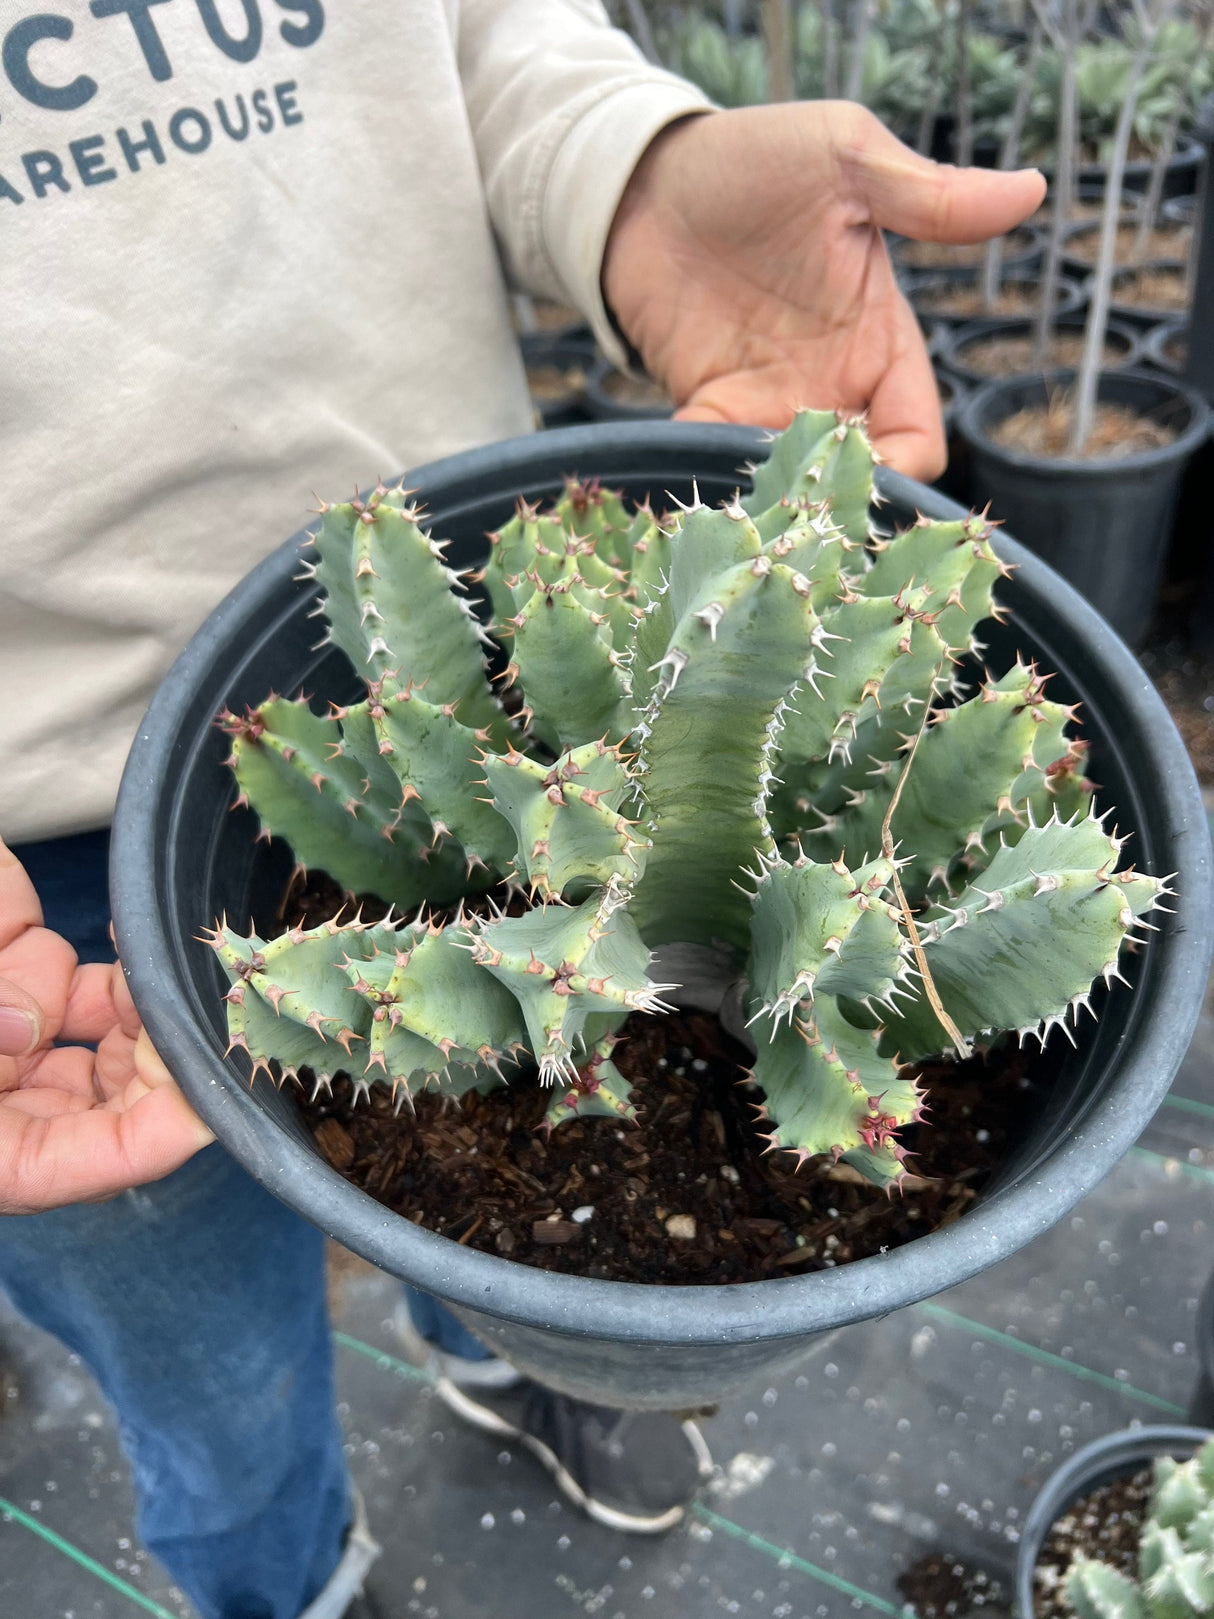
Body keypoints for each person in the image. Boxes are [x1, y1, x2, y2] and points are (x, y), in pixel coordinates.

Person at [0, 3, 1045, 1615]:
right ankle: (282, 1581)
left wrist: (638, 172)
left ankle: (517, 1360)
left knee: (500, 1223)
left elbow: (477, 32)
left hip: (453, 627)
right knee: (209, 1375)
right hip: (38, 825)